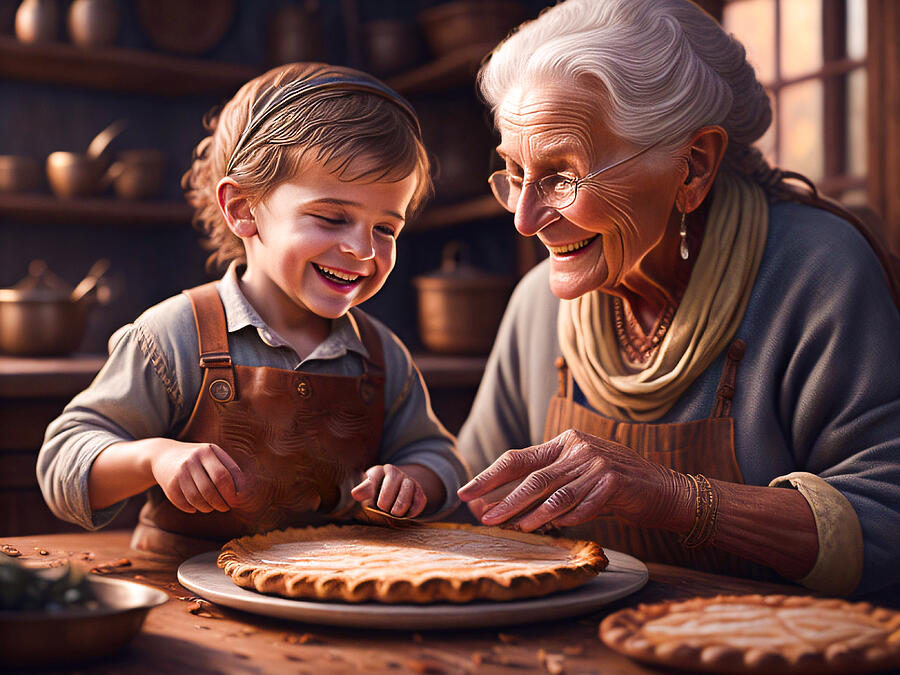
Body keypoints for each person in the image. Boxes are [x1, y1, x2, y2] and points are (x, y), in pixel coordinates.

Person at [456, 0, 900, 601]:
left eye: (561, 174)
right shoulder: (539, 303)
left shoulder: (817, 269)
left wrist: (673, 497)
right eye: (513, 172)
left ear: (692, 166)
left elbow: (888, 524)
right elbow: (469, 500)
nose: (526, 220)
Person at [37, 63, 468, 558]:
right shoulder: (173, 337)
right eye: (332, 218)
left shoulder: (382, 356)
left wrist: (414, 480)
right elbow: (61, 464)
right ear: (242, 209)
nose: (363, 250)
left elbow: (440, 457)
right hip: (185, 601)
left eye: (386, 229)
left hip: (332, 602)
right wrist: (152, 457)